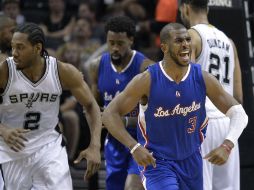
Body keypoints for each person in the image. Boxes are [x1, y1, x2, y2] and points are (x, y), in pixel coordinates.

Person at [102, 23, 248, 190]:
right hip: (158, 162)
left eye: (187, 39)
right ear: (164, 47)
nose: (186, 44)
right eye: (178, 41)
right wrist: (134, 147)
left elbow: (239, 113)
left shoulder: (201, 77)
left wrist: (227, 145)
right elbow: (109, 114)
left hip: (191, 160)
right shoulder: (147, 79)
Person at [0, 23, 102, 190]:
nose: (14, 53)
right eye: (12, 47)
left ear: (37, 48)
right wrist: (3, 130)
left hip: (49, 147)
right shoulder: (5, 71)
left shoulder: (62, 71)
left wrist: (95, 146)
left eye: (20, 48)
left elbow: (91, 105)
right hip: (14, 151)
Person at [179, 0, 243, 189]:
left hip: (201, 121)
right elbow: (238, 96)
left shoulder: (191, 36)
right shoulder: (229, 41)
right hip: (227, 123)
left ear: (186, 8)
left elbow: (185, 86)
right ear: (207, 8)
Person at [89, 15, 153, 190]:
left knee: (133, 187)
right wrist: (94, 139)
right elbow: (93, 108)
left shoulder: (145, 67)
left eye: (120, 43)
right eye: (111, 43)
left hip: (141, 138)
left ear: (131, 40)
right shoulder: (97, 66)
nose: (115, 48)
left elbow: (155, 112)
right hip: (115, 140)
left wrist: (121, 120)